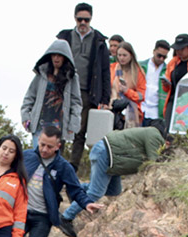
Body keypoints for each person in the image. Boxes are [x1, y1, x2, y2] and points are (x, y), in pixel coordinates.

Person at [4, 126, 103, 237]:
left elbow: (76, 189)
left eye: (49, 147)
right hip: (21, 213)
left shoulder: (63, 167)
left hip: (43, 217)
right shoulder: (27, 156)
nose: (44, 149)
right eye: (42, 144)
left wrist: (87, 204)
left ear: (58, 146)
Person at [59, 126, 164, 226]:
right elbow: (154, 164)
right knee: (96, 192)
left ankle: (77, 190)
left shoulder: (150, 134)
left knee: (114, 191)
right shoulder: (154, 134)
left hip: (111, 159)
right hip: (105, 153)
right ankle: (66, 217)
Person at [56, 2, 112, 169]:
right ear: (75, 18)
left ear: (91, 19)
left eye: (86, 20)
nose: (83, 23)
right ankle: (56, 163)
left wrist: (105, 97)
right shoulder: (64, 38)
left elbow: (105, 71)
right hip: (64, 89)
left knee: (79, 131)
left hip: (87, 91)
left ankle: (73, 166)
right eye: (80, 19)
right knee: (61, 127)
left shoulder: (99, 41)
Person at [22, 39, 82, 148]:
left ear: (65, 57)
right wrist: (25, 117)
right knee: (37, 156)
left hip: (58, 126)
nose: (56, 58)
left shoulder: (72, 78)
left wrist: (73, 125)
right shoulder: (41, 74)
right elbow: (29, 97)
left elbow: (76, 102)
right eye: (54, 55)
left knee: (52, 160)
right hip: (39, 124)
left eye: (60, 55)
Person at [111, 41, 146, 129]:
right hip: (113, 108)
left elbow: (141, 96)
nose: (121, 58)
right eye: (119, 55)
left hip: (130, 112)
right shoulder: (112, 68)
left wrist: (127, 91)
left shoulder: (138, 72)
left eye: (124, 55)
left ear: (131, 55)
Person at [139, 40, 171, 135]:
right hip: (141, 109)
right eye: (159, 55)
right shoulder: (141, 66)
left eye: (164, 57)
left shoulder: (168, 70)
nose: (161, 59)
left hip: (157, 113)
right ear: (154, 51)